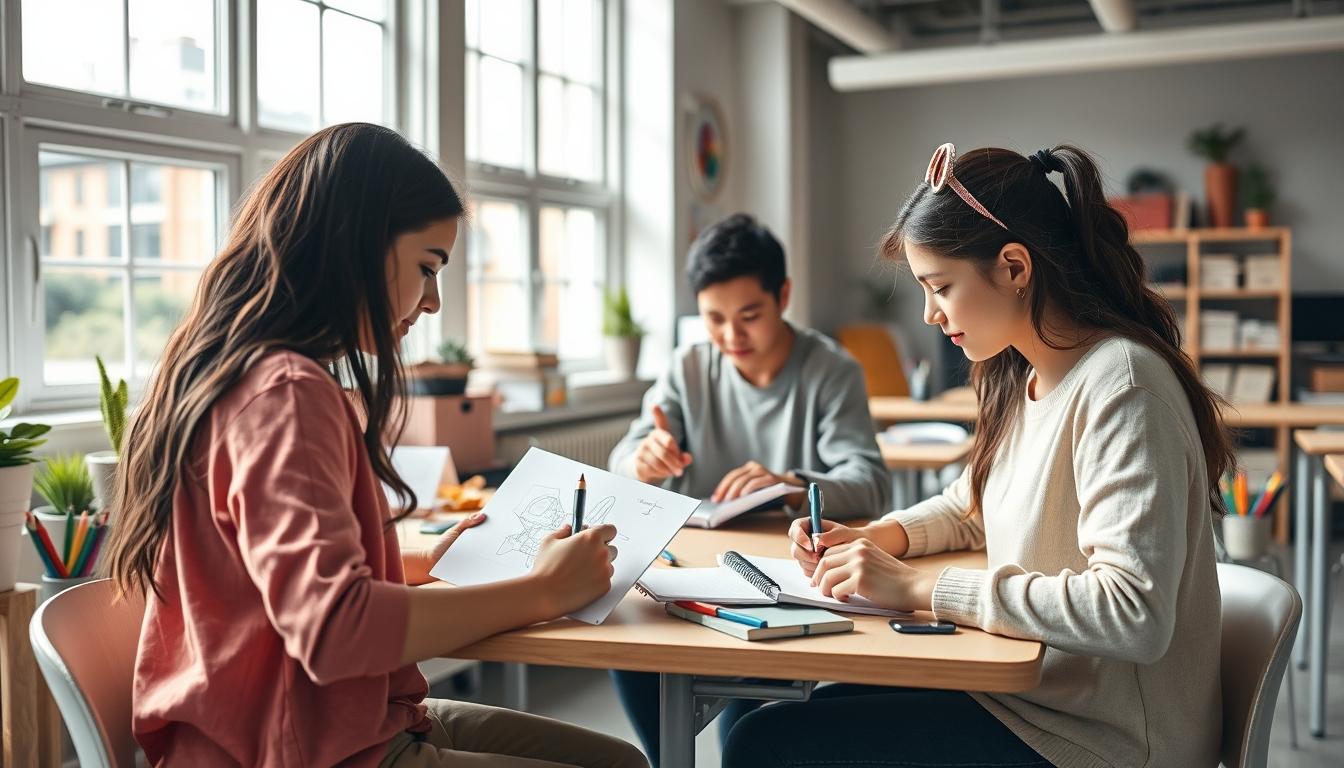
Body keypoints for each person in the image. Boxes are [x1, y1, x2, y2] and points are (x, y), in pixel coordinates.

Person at [103, 123, 647, 768]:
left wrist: (417, 563)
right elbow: (335, 632)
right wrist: (544, 592)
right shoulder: (286, 394)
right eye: (427, 267)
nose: (434, 302)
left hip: (322, 721)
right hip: (292, 748)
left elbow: (268, 578)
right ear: (353, 246)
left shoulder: (242, 374)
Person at [725, 144, 1230, 768]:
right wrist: (875, 538)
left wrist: (916, 586)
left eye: (940, 287)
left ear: (1015, 267)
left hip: (1107, 740)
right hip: (1034, 698)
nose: (929, 315)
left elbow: (1134, 612)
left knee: (764, 743)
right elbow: (972, 507)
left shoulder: (1122, 387)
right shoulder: (1029, 376)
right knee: (774, 718)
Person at [607, 213, 891, 763]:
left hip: (779, 572)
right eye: (713, 318)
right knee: (630, 642)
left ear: (783, 295)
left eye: (749, 316)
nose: (731, 336)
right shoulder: (688, 365)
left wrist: (789, 485)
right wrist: (642, 460)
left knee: (748, 727)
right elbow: (625, 456)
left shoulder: (832, 370)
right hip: (689, 566)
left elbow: (870, 484)